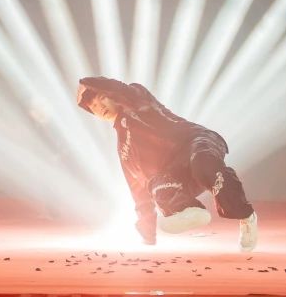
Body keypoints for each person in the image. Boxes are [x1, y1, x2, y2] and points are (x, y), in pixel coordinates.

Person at [76, 76, 259, 252]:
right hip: (176, 172)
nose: (100, 107)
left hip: (196, 141)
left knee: (202, 163)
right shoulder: (124, 149)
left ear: (111, 95)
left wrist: (87, 82)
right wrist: (147, 231)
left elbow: (121, 88)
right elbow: (138, 190)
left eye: (102, 98)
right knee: (156, 185)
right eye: (94, 106)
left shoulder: (137, 102)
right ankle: (189, 210)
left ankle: (245, 215)